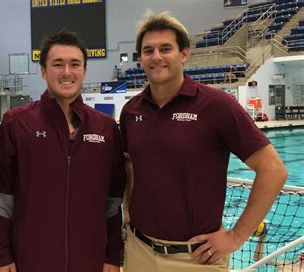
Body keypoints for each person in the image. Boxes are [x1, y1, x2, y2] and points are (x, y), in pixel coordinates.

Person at [119, 11, 287, 272]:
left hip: (197, 260)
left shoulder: (217, 106)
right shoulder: (131, 111)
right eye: (148, 50)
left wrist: (237, 236)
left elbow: (273, 170)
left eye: (166, 48)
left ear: (184, 54)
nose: (157, 57)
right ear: (140, 58)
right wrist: (127, 206)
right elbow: (129, 162)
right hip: (139, 250)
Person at [0, 30, 126, 272]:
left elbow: (114, 201)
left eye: (75, 64)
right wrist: (3, 255)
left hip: (90, 261)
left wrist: (113, 257)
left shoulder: (105, 128)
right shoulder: (17, 123)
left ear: (84, 71)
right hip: (32, 260)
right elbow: (3, 197)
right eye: (57, 64)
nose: (66, 72)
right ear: (43, 71)